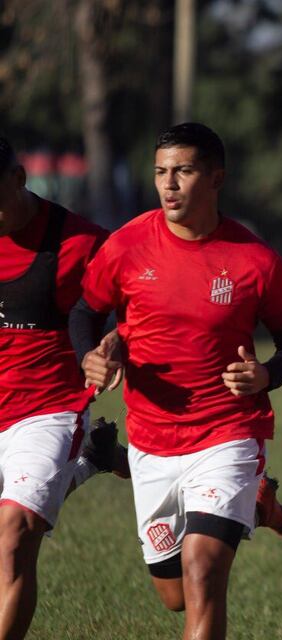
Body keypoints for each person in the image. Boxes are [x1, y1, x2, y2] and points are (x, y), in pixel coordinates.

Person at [74, 123, 282, 640]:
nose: (169, 183)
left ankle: (243, 494)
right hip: (151, 440)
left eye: (183, 171)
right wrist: (90, 356)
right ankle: (257, 504)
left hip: (227, 435)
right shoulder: (127, 245)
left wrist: (266, 374)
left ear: (216, 178)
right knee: (175, 595)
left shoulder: (255, 260)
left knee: (202, 572)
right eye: (161, 171)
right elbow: (84, 313)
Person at [0, 136, 125, 639]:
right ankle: (92, 459)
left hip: (46, 409)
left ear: (17, 179)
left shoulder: (81, 242)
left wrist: (114, 344)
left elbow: (141, 305)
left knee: (15, 535)